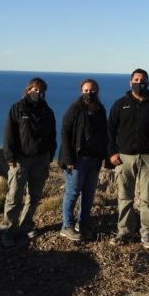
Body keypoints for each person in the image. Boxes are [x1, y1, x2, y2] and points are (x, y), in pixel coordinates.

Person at [107, 68, 149, 249]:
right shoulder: (120, 104)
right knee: (124, 197)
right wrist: (112, 153)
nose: (139, 82)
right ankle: (124, 231)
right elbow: (110, 130)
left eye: (143, 80)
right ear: (130, 82)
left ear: (148, 83)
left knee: (147, 198)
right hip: (124, 158)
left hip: (148, 157)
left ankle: (147, 233)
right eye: (136, 79)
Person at [0, 77, 57, 248]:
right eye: (35, 89)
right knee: (14, 196)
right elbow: (9, 135)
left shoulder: (48, 112)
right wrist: (10, 157)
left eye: (41, 91)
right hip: (20, 159)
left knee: (34, 195)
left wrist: (49, 156)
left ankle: (26, 225)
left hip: (41, 159)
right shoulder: (17, 109)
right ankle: (7, 230)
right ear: (28, 89)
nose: (38, 93)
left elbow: (52, 136)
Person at [58, 79, 108, 241]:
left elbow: (104, 134)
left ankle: (83, 223)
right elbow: (65, 134)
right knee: (72, 193)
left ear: (97, 91)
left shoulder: (100, 109)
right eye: (86, 90)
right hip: (77, 160)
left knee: (89, 194)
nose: (89, 93)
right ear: (81, 91)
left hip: (94, 159)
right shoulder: (74, 109)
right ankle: (67, 226)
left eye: (92, 90)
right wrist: (68, 158)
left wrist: (105, 156)